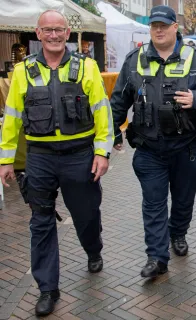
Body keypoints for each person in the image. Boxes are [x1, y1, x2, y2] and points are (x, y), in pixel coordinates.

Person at [0, 10, 113, 316]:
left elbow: (102, 111)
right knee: (40, 221)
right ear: (38, 33)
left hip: (80, 156)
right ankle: (47, 288)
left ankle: (93, 248)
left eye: (58, 30)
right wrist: (6, 159)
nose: (53, 35)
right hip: (40, 158)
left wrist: (102, 153)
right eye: (47, 30)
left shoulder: (86, 67)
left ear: (67, 33)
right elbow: (11, 118)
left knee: (87, 215)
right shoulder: (23, 71)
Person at [110, 6, 196, 279]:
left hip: (187, 149)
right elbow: (118, 102)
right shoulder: (134, 60)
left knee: (183, 201)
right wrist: (112, 131)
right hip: (149, 150)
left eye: (164, 25)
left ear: (175, 27)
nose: (158, 30)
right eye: (154, 25)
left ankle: (179, 233)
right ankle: (156, 257)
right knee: (153, 203)